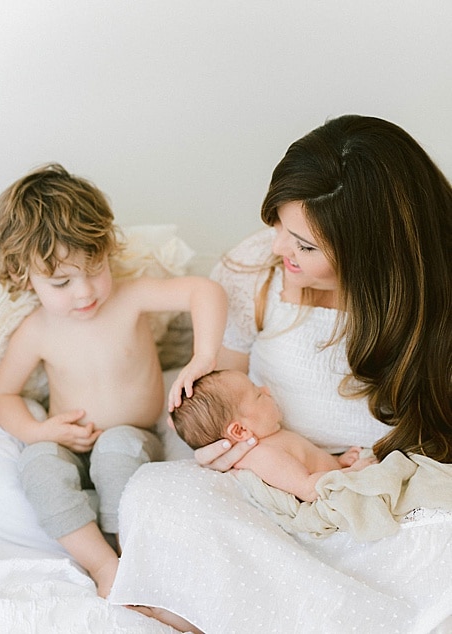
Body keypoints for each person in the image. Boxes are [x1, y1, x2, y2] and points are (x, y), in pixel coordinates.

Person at [111, 115, 452, 632]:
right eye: (278, 226)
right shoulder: (257, 271)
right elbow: (221, 399)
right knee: (154, 492)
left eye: (304, 246)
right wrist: (219, 452)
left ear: (374, 252)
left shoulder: (433, 299)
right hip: (269, 498)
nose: (277, 248)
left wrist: (351, 478)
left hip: (374, 498)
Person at [0, 163, 227, 598]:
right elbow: (0, 395)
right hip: (70, 441)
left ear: (107, 250)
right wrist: (39, 431)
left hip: (133, 435)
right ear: (24, 277)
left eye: (94, 269)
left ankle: (129, 553)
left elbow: (204, 292)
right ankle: (102, 564)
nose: (85, 292)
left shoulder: (129, 298)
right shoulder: (36, 330)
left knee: (115, 452)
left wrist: (203, 357)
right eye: (61, 281)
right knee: (37, 465)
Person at [170, 369, 375, 502]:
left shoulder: (271, 438)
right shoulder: (264, 456)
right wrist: (352, 473)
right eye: (258, 394)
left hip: (335, 473)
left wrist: (337, 462)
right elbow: (307, 488)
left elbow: (306, 460)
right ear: (240, 431)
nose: (266, 389)